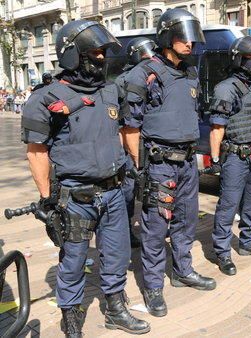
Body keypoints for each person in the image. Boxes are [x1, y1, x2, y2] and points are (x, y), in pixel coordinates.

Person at [21, 20, 150, 337]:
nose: (102, 59)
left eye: (104, 52)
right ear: (71, 55)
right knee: (74, 261)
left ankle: (116, 309)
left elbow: (121, 131)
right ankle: (71, 318)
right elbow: (36, 152)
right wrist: (47, 200)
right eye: (94, 52)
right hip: (74, 200)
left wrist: (133, 166)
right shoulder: (46, 98)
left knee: (117, 256)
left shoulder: (110, 91)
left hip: (114, 194)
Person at [122, 8, 216, 318]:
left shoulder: (190, 72)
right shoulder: (144, 73)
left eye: (192, 38)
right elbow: (130, 127)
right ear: (167, 38)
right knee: (155, 226)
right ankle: (152, 287)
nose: (190, 44)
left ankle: (182, 271)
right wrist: (140, 167)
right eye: (183, 38)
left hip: (188, 163)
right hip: (160, 164)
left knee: (186, 220)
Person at [206, 36, 251, 276]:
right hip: (234, 156)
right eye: (249, 58)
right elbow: (217, 128)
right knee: (228, 206)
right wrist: (214, 160)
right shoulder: (226, 88)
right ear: (238, 59)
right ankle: (222, 252)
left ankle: (247, 242)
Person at [115, 37, 157, 249]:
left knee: (149, 190)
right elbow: (124, 125)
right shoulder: (125, 80)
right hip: (130, 147)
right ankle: (124, 231)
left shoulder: (153, 76)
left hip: (148, 143)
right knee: (129, 191)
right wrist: (132, 158)